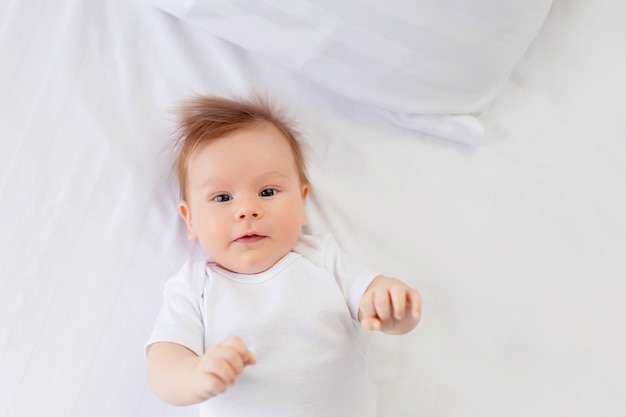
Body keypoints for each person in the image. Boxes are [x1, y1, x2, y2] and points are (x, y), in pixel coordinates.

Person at [145, 96, 422, 416]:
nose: (247, 209)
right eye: (222, 197)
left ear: (302, 201)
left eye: (267, 192)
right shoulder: (195, 287)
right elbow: (163, 363)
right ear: (190, 219)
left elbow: (376, 295)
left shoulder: (324, 260)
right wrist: (195, 376)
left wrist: (394, 308)